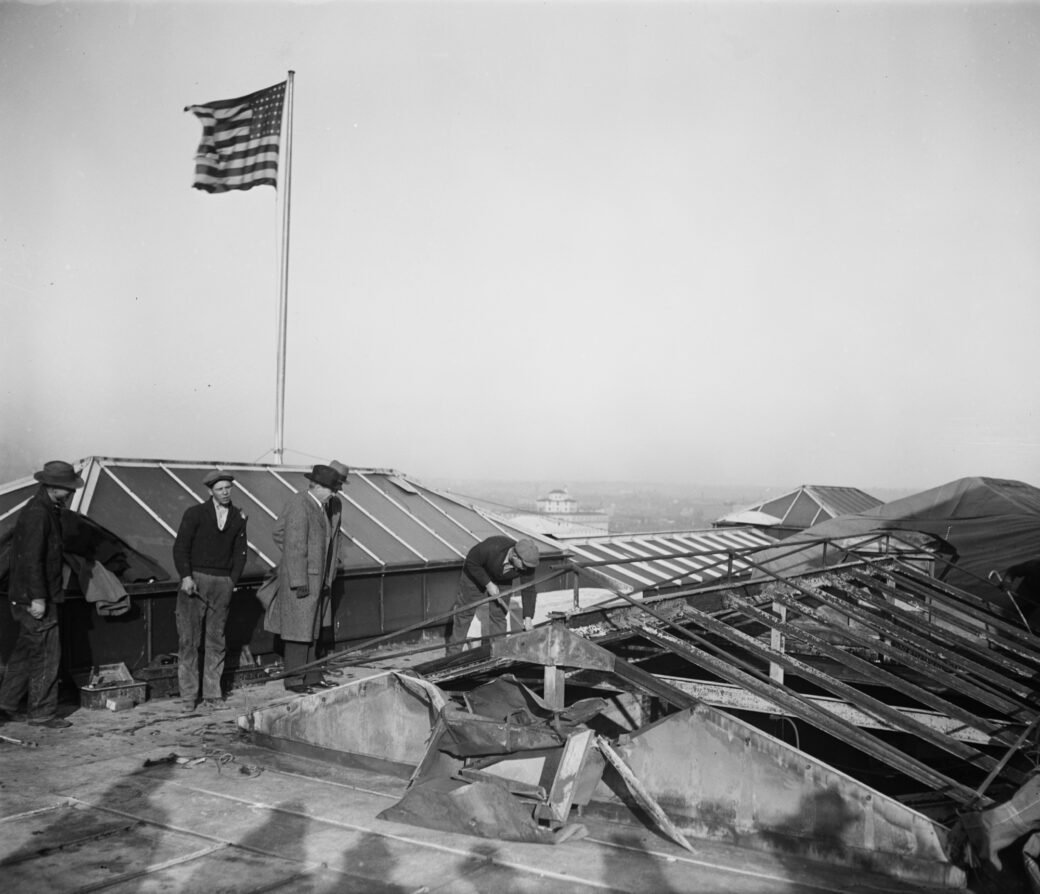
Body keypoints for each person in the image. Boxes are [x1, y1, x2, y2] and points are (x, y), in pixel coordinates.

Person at [0, 460, 84, 728]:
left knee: (26, 652)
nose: (71, 492)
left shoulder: (41, 509)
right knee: (47, 655)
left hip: (25, 595)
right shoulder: (39, 513)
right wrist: (38, 598)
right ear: (53, 487)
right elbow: (32, 559)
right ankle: (42, 713)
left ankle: (6, 704)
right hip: (35, 598)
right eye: (68, 488)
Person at [264, 464, 344, 693]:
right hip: (302, 581)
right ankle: (295, 681)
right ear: (317, 486)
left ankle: (310, 676)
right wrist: (299, 578)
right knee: (298, 633)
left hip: (314, 579)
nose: (333, 494)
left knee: (311, 630)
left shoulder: (318, 506)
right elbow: (295, 544)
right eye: (331, 489)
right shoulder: (301, 504)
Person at [172, 470, 248, 710]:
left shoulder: (238, 517)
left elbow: (240, 553)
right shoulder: (194, 513)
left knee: (216, 640)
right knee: (189, 640)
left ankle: (212, 695)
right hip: (195, 581)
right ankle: (188, 697)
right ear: (210, 491)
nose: (225, 492)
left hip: (222, 583)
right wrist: (186, 576)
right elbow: (180, 547)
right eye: (220, 489)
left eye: (228, 488)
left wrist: (231, 581)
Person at [447, 536, 540, 655]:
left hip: (503, 578)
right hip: (476, 573)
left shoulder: (528, 564)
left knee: (499, 615)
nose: (526, 569)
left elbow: (529, 589)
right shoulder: (491, 547)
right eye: (524, 565)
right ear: (514, 556)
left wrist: (528, 618)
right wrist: (488, 583)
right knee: (464, 613)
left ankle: (499, 653)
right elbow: (471, 561)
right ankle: (453, 654)